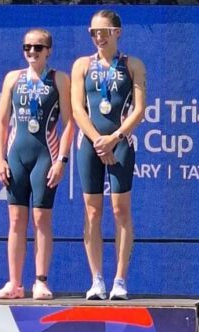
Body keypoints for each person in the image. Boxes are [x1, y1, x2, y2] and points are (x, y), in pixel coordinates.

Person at [0, 29, 74, 299]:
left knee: (41, 218)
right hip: (16, 155)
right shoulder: (13, 78)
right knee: (16, 219)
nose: (32, 52)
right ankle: (14, 283)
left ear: (49, 50)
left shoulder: (59, 79)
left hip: (46, 155)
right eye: (27, 47)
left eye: (38, 47)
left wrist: (62, 161)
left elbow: (69, 123)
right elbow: (2, 122)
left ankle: (40, 281)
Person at [71, 10, 146, 300]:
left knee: (120, 210)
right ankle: (97, 279)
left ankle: (120, 280)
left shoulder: (132, 65)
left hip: (121, 142)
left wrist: (114, 139)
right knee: (92, 211)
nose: (98, 37)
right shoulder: (82, 65)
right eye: (94, 32)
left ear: (117, 32)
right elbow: (77, 109)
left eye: (104, 31)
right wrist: (98, 142)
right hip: (90, 143)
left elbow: (139, 110)